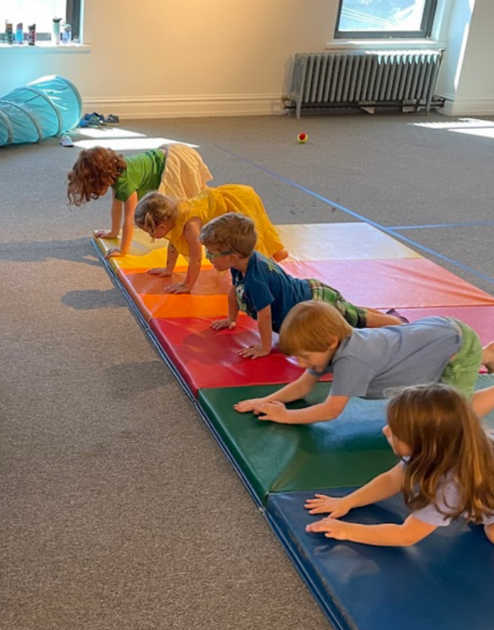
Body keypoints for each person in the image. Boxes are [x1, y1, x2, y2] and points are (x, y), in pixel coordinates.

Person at [234, 301, 494, 424]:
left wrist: (286, 416)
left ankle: (483, 367)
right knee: (426, 365)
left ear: (331, 342)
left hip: (457, 344)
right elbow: (303, 387)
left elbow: (330, 411)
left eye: (306, 357)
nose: (303, 364)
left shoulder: (352, 359)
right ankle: (487, 355)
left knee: (454, 416)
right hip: (433, 334)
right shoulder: (330, 344)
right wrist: (266, 401)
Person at [305, 383, 494, 546]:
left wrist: (347, 531)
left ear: (424, 444)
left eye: (396, 432)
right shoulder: (446, 444)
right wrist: (348, 501)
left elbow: (406, 535)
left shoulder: (449, 484)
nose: (385, 430)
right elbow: (393, 479)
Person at [200, 213, 403, 359]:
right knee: (352, 311)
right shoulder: (241, 263)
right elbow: (233, 292)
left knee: (358, 319)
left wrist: (264, 348)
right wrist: (231, 318)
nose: (208, 258)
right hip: (310, 295)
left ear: (232, 257)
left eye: (210, 254)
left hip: (316, 308)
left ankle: (404, 327)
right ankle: (391, 320)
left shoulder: (255, 280)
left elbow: (265, 316)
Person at [66, 144, 213, 258]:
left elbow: (130, 218)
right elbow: (116, 207)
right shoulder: (116, 175)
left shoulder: (125, 182)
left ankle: (216, 217)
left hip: (175, 162)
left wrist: (123, 250)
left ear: (101, 178)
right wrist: (114, 232)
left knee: (190, 204)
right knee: (200, 194)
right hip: (172, 152)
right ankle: (217, 206)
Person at [134, 188, 288, 294]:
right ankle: (277, 254)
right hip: (229, 197)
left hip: (238, 200)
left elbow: (196, 258)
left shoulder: (189, 225)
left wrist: (187, 285)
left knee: (246, 240)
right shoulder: (173, 218)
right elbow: (173, 244)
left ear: (161, 226)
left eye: (150, 232)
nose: (150, 236)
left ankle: (269, 264)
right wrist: (168, 269)